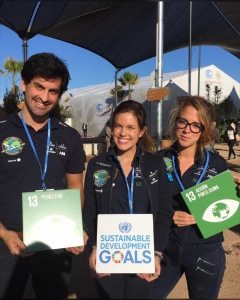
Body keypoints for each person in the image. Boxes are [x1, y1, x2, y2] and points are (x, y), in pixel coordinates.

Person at [0, 52, 87, 299]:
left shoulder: (69, 137)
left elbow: (75, 188)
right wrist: (4, 234)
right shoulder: (2, 132)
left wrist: (73, 226)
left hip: (54, 242)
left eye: (53, 91)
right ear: (24, 85)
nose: (44, 97)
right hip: (8, 241)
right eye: (39, 87)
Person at [83, 100, 173, 299]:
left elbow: (164, 212)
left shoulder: (156, 164)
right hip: (108, 254)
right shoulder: (97, 165)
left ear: (141, 131)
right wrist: (95, 248)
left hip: (142, 256)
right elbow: (89, 210)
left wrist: (156, 253)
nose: (123, 133)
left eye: (131, 127)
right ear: (112, 128)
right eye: (118, 126)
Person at [152, 96, 229, 299]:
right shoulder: (157, 161)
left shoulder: (217, 164)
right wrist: (167, 216)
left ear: (204, 130)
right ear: (175, 121)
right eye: (183, 122)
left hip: (205, 250)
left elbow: (227, 210)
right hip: (164, 248)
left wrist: (200, 216)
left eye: (196, 125)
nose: (187, 130)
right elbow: (144, 204)